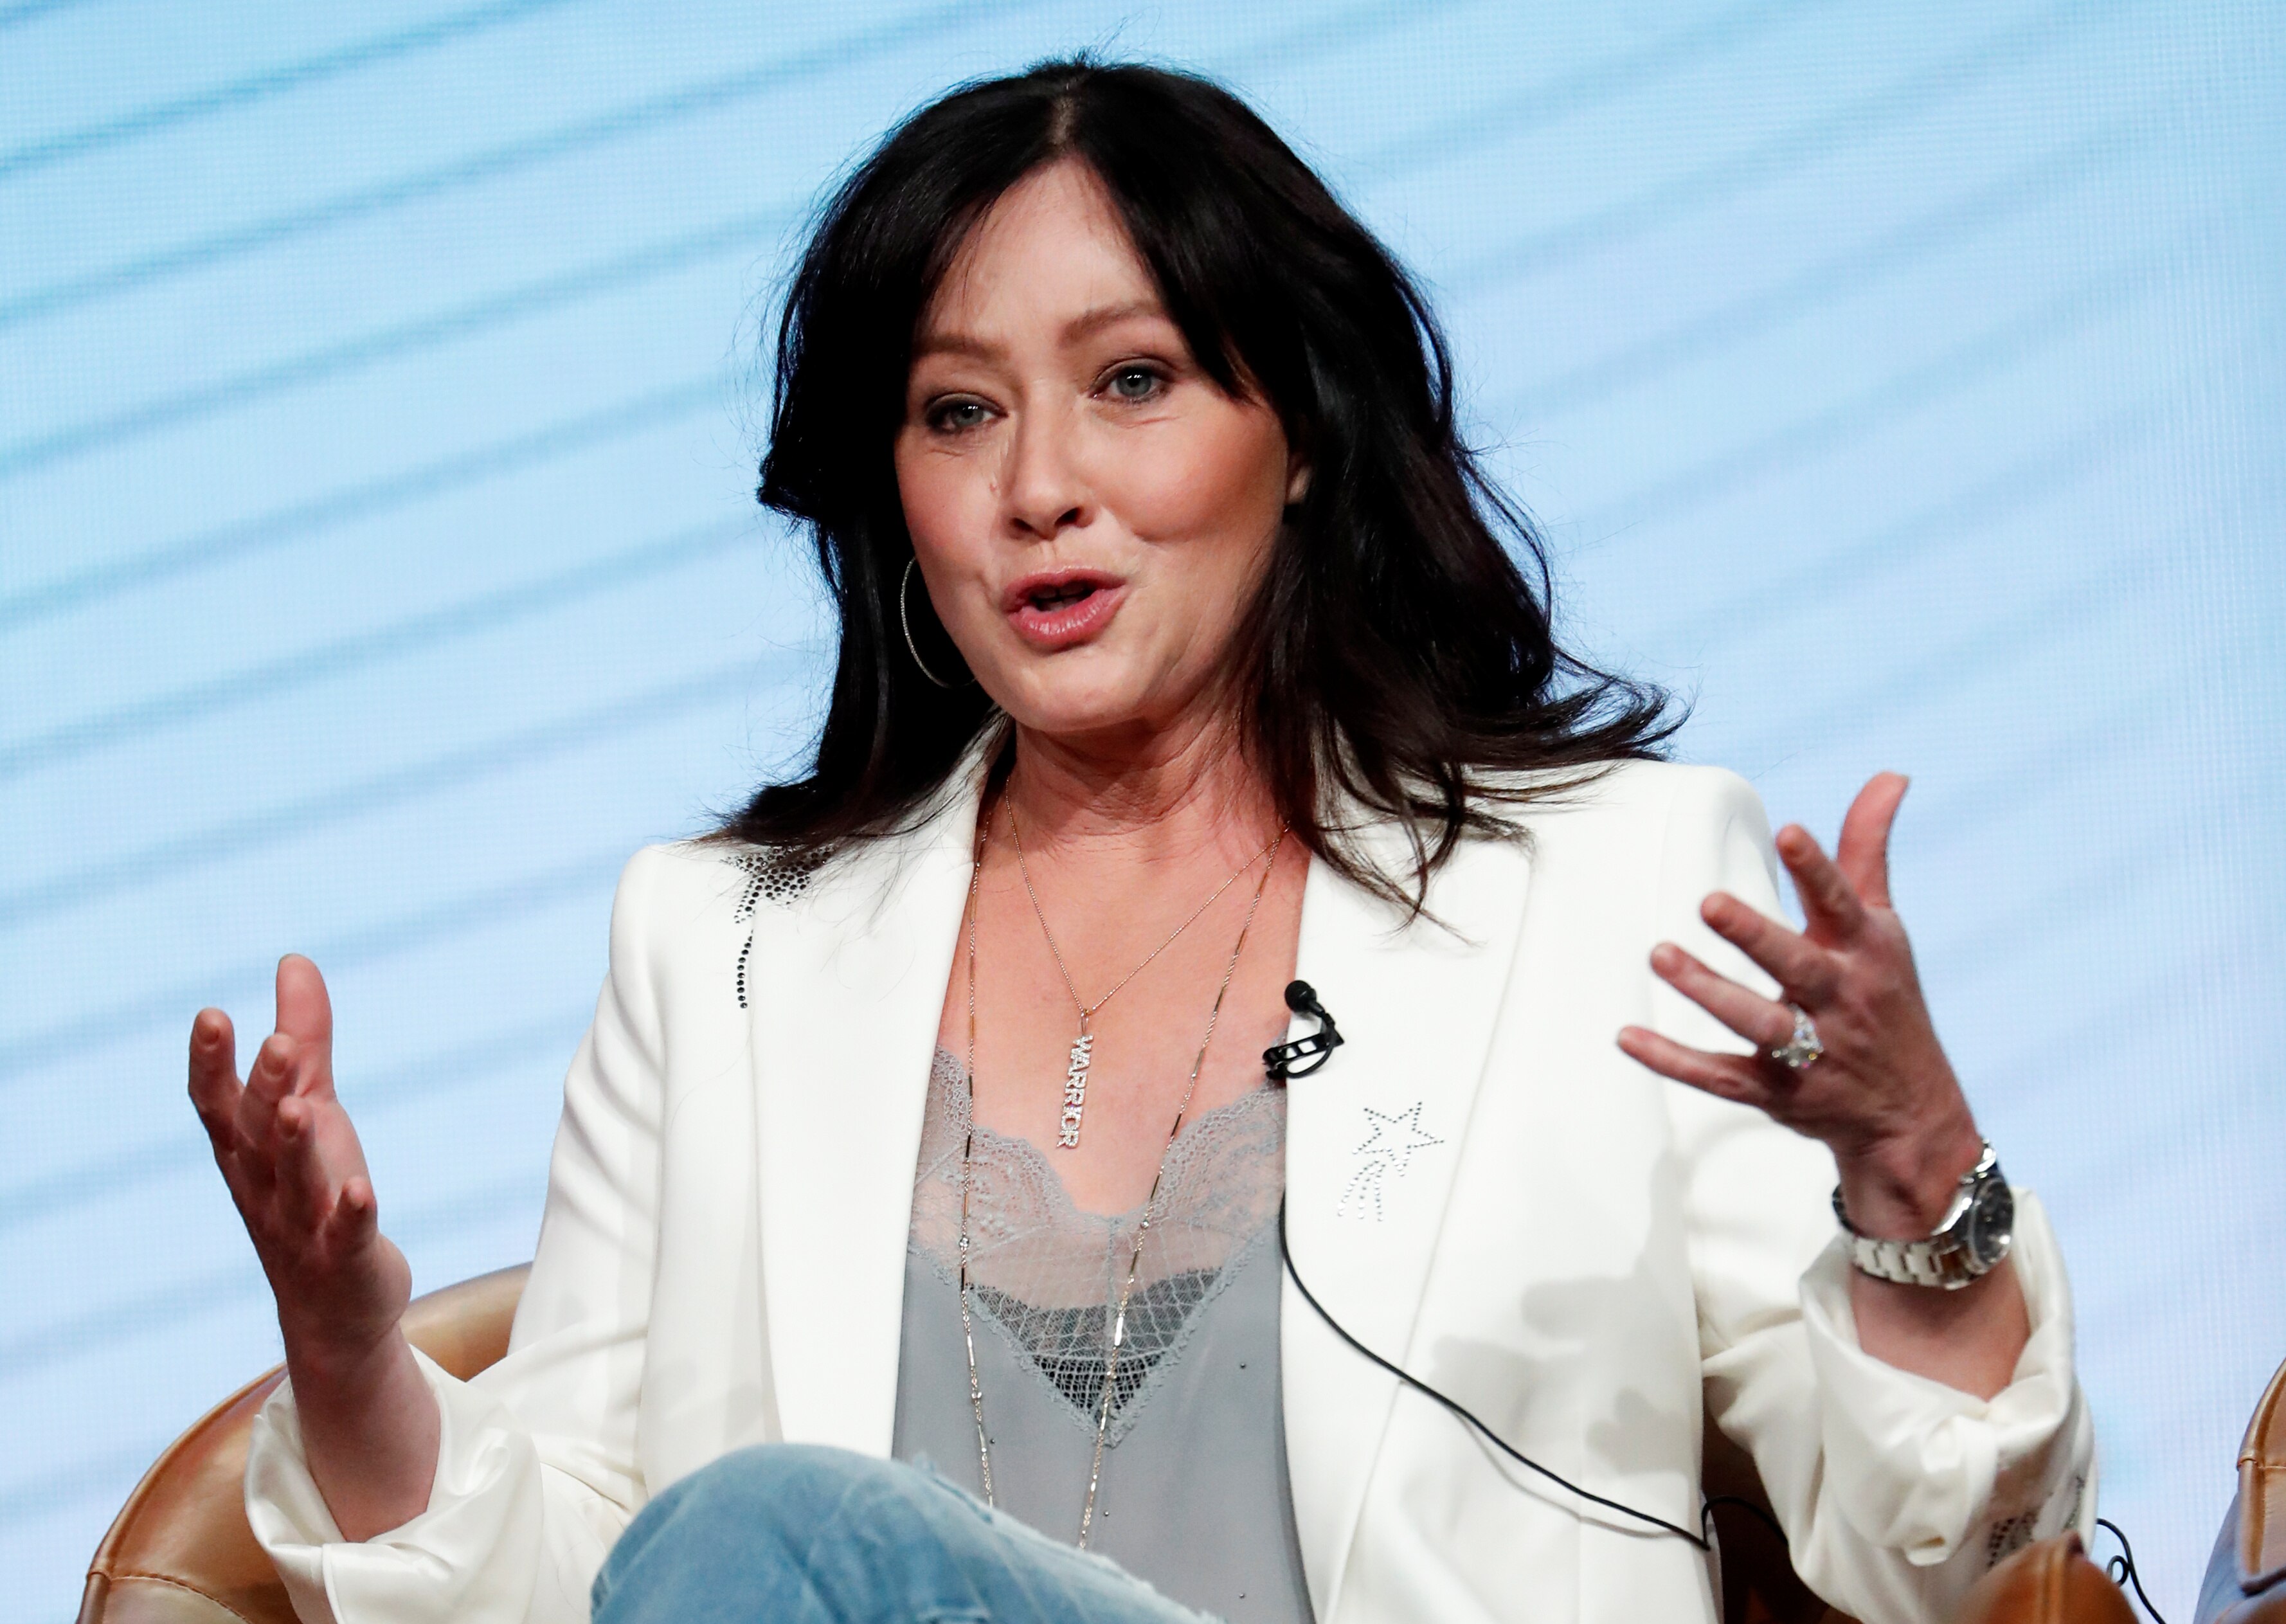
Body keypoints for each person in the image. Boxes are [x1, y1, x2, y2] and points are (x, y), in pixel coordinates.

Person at [187, 59, 2094, 1624]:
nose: (1038, 491)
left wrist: (1919, 1176)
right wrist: (354, 1363)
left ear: (1304, 433)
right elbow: (591, 1582)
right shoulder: (722, 949)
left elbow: (1927, 1553)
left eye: (1132, 383)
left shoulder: (1601, 883)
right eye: (955, 413)